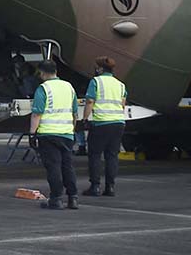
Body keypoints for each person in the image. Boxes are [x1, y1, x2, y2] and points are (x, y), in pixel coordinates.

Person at [30, 59, 79, 210]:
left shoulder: (43, 88)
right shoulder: (69, 87)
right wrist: (72, 130)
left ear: (42, 72)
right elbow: (75, 113)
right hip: (66, 133)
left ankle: (56, 199)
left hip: (48, 134)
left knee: (54, 167)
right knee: (67, 166)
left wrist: (32, 134)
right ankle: (73, 198)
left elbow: (37, 113)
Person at [82, 56, 127, 197]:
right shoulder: (120, 84)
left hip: (101, 123)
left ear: (100, 69)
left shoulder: (96, 81)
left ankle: (95, 186)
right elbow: (123, 104)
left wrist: (85, 118)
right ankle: (110, 187)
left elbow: (90, 101)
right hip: (118, 123)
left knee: (95, 155)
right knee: (112, 156)